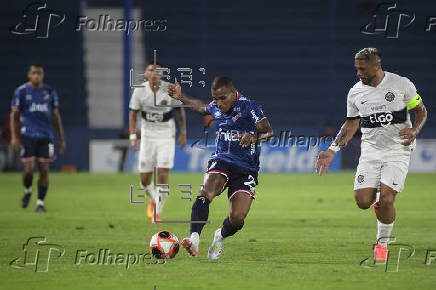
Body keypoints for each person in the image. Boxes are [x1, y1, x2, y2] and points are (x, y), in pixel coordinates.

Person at [315, 48, 427, 262]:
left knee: (386, 199)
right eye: (356, 69)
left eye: (362, 69)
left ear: (376, 66)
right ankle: (379, 202)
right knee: (363, 201)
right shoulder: (355, 92)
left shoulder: (401, 84)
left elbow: (421, 111)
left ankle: (382, 244)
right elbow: (351, 123)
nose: (358, 73)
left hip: (398, 150)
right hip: (370, 152)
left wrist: (415, 130)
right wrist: (332, 150)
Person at [168, 76, 274, 260]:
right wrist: (181, 97)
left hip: (246, 167)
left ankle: (220, 236)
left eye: (222, 98)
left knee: (238, 217)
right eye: (215, 98)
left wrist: (253, 137)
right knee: (208, 191)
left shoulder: (249, 107)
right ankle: (194, 238)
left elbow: (269, 133)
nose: (218, 103)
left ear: (233, 93)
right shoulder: (216, 106)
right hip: (222, 159)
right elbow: (202, 108)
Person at [129, 61, 186, 223]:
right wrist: (133, 136)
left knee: (162, 173)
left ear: (161, 74)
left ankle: (157, 212)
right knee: (144, 180)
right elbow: (133, 114)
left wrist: (183, 132)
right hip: (147, 136)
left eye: (158, 71)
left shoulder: (169, 89)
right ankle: (154, 199)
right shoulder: (139, 91)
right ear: (146, 74)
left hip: (166, 135)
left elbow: (179, 111)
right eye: (150, 70)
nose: (154, 73)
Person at [10, 63, 66, 213]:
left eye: (39, 73)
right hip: (27, 135)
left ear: (43, 75)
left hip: (46, 137)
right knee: (28, 170)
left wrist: (61, 138)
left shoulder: (49, 91)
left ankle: (40, 203)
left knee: (44, 169)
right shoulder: (21, 92)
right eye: (34, 73)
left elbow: (55, 116)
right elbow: (14, 115)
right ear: (29, 74)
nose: (36, 76)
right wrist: (15, 137)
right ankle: (28, 190)